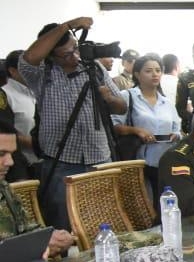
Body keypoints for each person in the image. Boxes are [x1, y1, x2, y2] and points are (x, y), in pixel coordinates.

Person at [18, 17, 127, 230]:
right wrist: (68, 25)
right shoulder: (41, 73)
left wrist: (109, 99)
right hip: (61, 160)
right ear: (51, 56)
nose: (74, 56)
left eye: (75, 48)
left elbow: (122, 107)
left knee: (102, 221)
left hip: (99, 158)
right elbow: (30, 56)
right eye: (66, 54)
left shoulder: (93, 67)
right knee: (63, 224)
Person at [0, 121, 74, 258]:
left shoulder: (4, 188)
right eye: (1, 154)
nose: (10, 162)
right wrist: (35, 247)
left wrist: (51, 238)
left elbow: (27, 229)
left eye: (11, 154)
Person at [110, 54, 181, 189]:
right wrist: (136, 130)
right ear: (137, 74)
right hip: (137, 163)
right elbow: (114, 126)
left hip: (164, 162)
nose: (154, 74)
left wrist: (175, 135)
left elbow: (177, 129)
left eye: (158, 70)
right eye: (148, 71)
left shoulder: (166, 102)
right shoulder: (128, 96)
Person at [3, 51, 38, 175]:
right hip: (23, 166)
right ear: (13, 71)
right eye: (26, 67)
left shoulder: (37, 91)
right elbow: (4, 132)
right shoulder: (5, 95)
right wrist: (35, 144)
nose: (33, 71)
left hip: (46, 160)